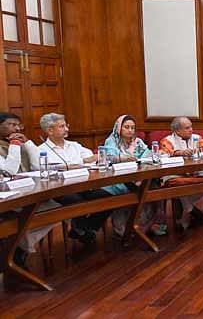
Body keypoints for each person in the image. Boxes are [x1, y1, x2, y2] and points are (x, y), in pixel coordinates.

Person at [38, 113, 110, 245]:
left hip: (83, 185)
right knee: (77, 202)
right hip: (59, 190)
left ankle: (82, 228)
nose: (66, 129)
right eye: (62, 126)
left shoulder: (74, 145)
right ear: (49, 130)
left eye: (66, 125)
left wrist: (76, 164)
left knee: (107, 197)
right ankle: (83, 230)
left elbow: (93, 158)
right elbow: (54, 169)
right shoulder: (41, 151)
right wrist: (80, 162)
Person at [0, 112, 59, 268]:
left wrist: (28, 143)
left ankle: (19, 246)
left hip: (28, 191)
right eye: (11, 124)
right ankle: (15, 250)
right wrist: (14, 145)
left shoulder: (21, 144)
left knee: (55, 208)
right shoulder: (7, 146)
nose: (17, 128)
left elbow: (40, 166)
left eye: (18, 125)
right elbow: (9, 172)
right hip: (9, 197)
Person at [103, 115, 167, 237]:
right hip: (119, 179)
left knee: (152, 185)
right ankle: (126, 229)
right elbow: (108, 158)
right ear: (118, 128)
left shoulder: (138, 142)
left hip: (138, 176)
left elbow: (148, 154)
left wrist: (157, 154)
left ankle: (147, 226)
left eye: (132, 127)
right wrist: (121, 158)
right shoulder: (111, 141)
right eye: (126, 127)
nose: (130, 130)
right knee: (142, 188)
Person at [159, 116, 203, 229]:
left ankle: (188, 209)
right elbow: (164, 154)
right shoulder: (167, 140)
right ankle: (191, 210)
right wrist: (180, 152)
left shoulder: (196, 138)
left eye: (191, 126)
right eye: (187, 127)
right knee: (174, 183)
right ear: (177, 130)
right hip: (175, 173)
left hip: (194, 172)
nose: (191, 129)